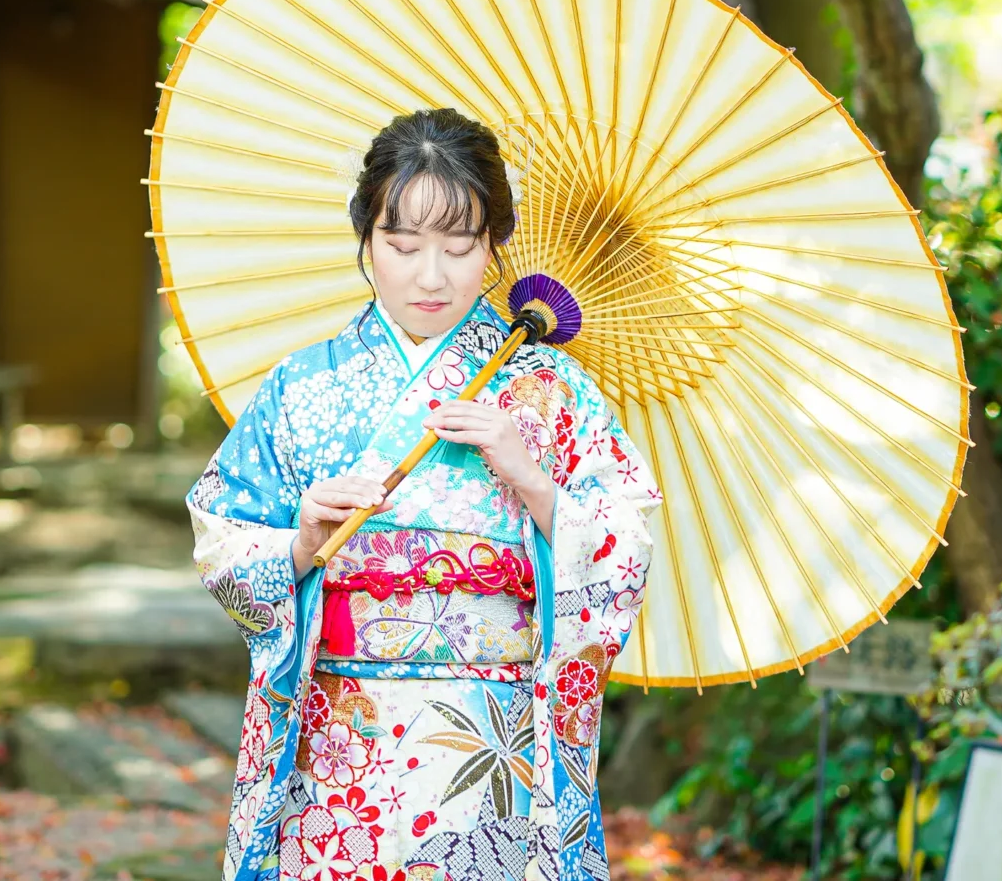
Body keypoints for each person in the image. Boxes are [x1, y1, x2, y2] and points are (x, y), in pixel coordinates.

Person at [188, 107, 660, 881]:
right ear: (367, 240)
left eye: (460, 244)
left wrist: (533, 478)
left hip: (487, 743)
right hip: (342, 749)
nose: (431, 274)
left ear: (496, 245)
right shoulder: (306, 385)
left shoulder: (549, 389)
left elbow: (625, 544)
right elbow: (225, 537)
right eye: (403, 245)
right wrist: (303, 540)